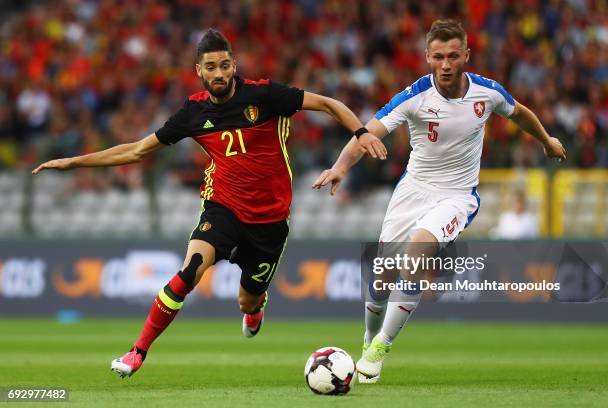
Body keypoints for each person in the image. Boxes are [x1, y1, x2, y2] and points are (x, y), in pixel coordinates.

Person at [32, 29, 386, 378]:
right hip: (223, 208)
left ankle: (255, 307)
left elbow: (327, 104)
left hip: (269, 221)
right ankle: (137, 351)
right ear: (198, 71)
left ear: (234, 66)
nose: (219, 73)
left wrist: (361, 131)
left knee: (247, 300)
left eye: (225, 65)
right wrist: (73, 162)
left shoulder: (264, 95)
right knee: (189, 272)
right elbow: (138, 150)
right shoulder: (193, 112)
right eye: (211, 67)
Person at [313, 19, 566, 383]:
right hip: (413, 191)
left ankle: (380, 346)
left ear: (466, 54)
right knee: (382, 274)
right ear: (427, 58)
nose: (445, 64)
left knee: (418, 252)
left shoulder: (487, 92)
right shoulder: (415, 96)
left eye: (452, 56)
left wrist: (545, 140)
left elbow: (520, 112)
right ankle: (369, 336)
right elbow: (367, 132)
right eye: (438, 57)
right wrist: (340, 167)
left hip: (457, 196)